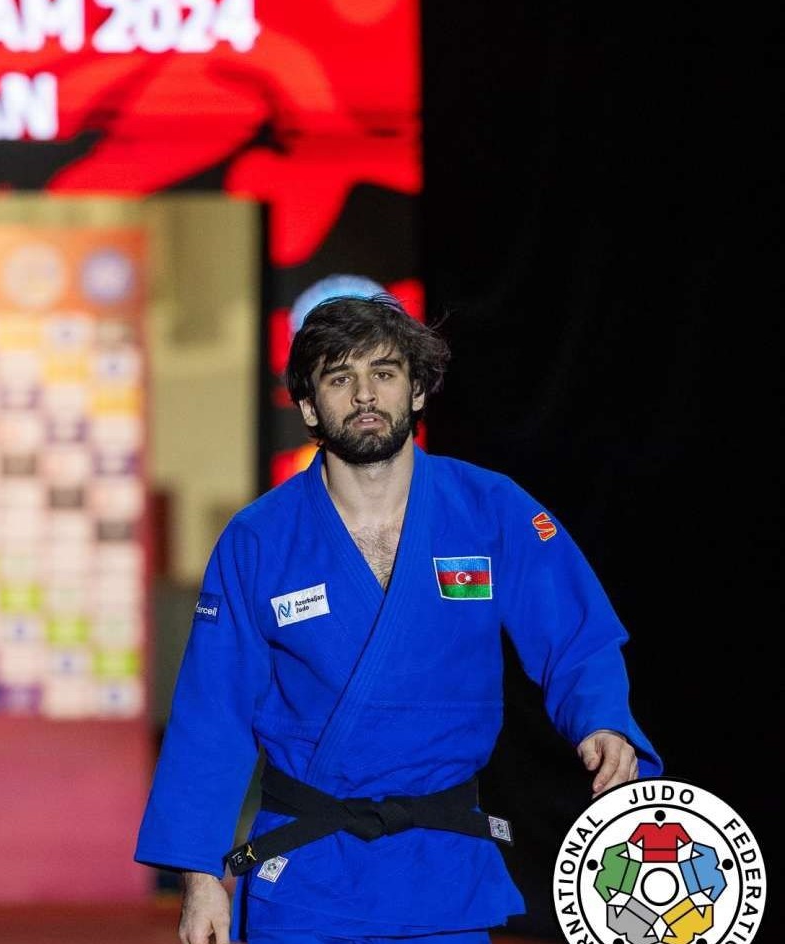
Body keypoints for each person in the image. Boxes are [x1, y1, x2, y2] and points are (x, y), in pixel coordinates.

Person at [134, 294, 662, 944]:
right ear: (307, 407)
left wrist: (602, 719)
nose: (363, 395)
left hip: (440, 867)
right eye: (338, 378)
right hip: (304, 869)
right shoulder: (258, 539)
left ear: (415, 392)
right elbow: (211, 712)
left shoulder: (491, 509)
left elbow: (576, 638)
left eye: (383, 373)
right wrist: (198, 878)